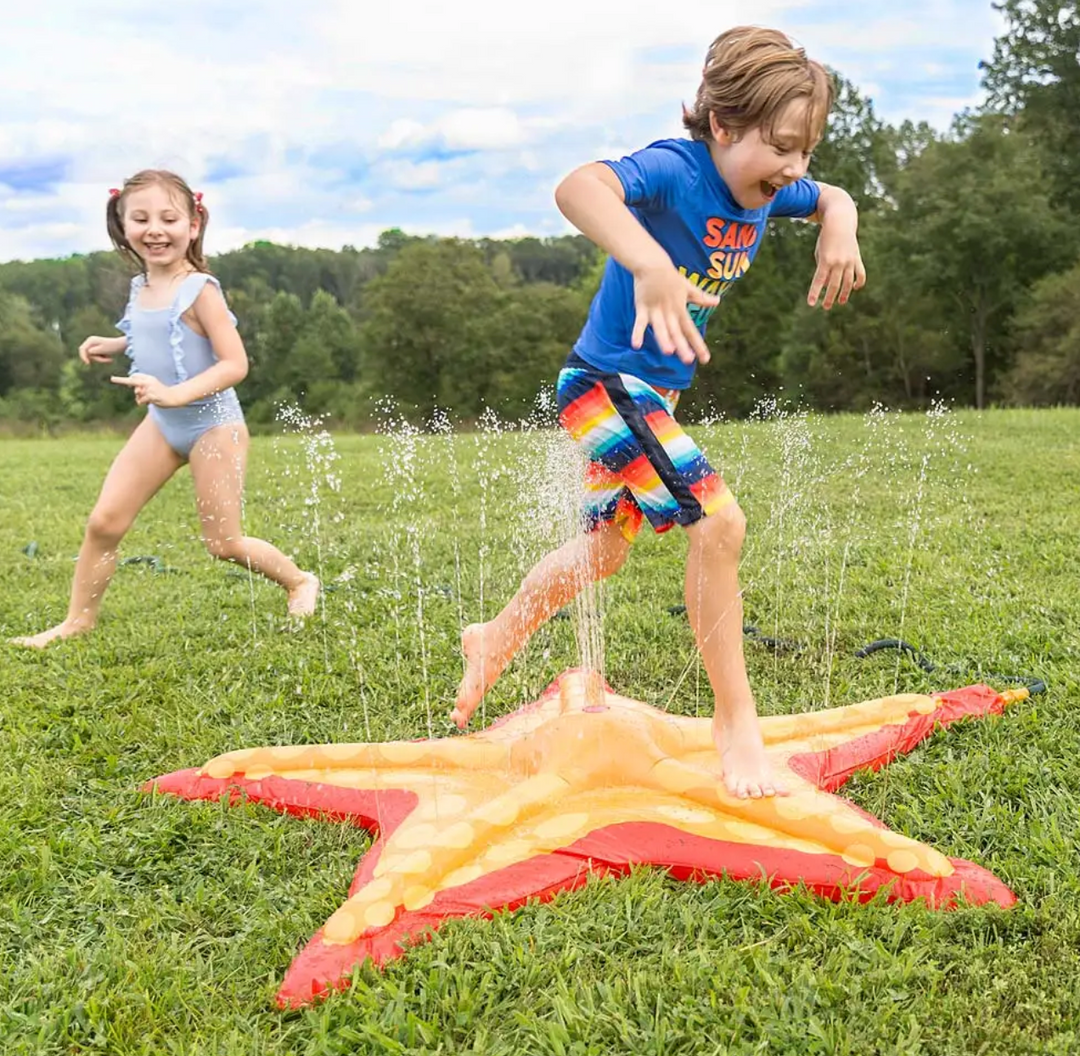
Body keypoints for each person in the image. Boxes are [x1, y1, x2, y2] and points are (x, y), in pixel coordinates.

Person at [451, 27, 866, 799]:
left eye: (805, 151)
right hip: (605, 386)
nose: (795, 168)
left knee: (604, 553)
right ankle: (735, 724)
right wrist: (647, 261)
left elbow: (831, 195)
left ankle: (495, 635)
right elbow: (578, 186)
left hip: (643, 400)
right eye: (781, 146)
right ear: (722, 125)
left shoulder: (772, 188)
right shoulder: (678, 170)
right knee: (718, 524)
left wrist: (837, 223)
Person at [10, 170, 319, 648]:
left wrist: (176, 394)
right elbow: (156, 333)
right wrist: (115, 343)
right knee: (104, 523)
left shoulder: (201, 290)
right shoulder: (141, 287)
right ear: (123, 225)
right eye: (141, 218)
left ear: (193, 225)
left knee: (224, 544)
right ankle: (78, 621)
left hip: (213, 426)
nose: (155, 229)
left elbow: (235, 363)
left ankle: (299, 581)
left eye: (168, 218)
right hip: (161, 424)